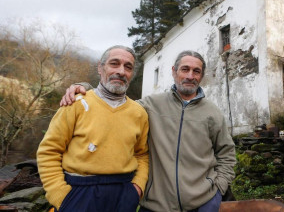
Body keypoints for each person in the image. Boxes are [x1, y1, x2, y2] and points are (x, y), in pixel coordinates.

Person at [60, 50, 236, 212]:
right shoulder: (149, 105)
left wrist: (218, 189)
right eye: (185, 69)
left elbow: (227, 154)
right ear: (174, 71)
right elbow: (113, 103)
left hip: (201, 204)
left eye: (196, 71)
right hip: (154, 205)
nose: (190, 76)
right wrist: (82, 88)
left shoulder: (213, 113)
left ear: (201, 75)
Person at [37, 45, 149, 212]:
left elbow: (142, 155)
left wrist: (137, 188)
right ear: (100, 67)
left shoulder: (139, 113)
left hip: (124, 194)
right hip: (79, 192)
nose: (121, 71)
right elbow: (49, 151)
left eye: (128, 67)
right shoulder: (75, 104)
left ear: (132, 73)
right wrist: (60, 195)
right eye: (114, 63)